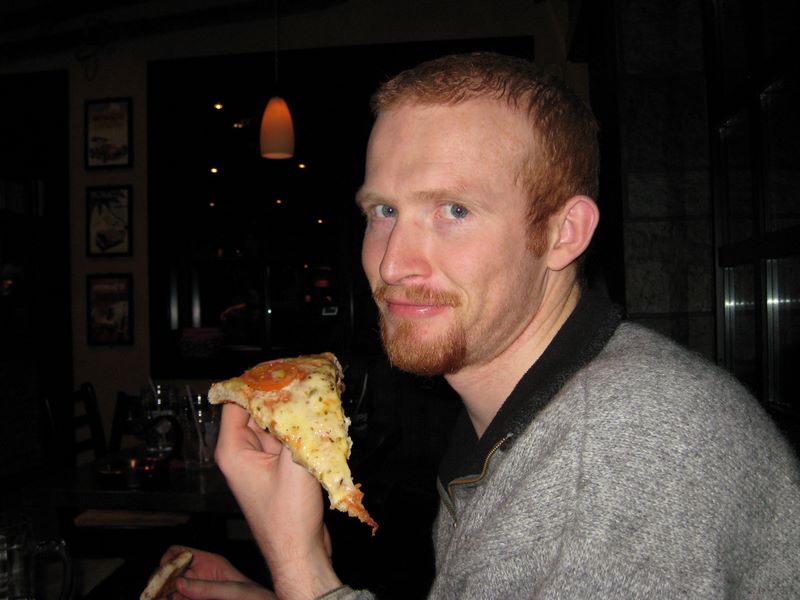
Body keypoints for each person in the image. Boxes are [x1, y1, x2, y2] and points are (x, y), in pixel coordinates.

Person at [162, 52, 800, 598]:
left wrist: (297, 562)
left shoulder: (627, 450)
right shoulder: (534, 412)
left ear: (562, 233)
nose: (392, 264)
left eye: (454, 210)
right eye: (383, 211)